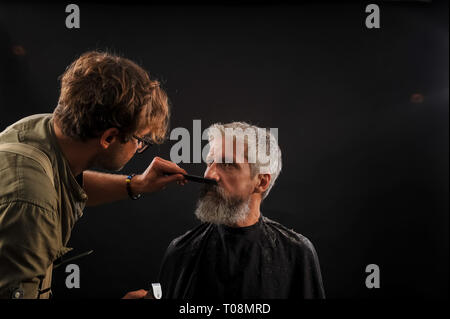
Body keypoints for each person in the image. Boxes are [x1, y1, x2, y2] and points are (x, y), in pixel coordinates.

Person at [0, 51, 187, 299]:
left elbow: (65, 183)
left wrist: (137, 184)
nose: (139, 149)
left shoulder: (38, 131)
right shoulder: (32, 205)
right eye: (140, 141)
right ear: (109, 137)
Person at [155, 122, 326, 299]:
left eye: (228, 164)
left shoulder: (296, 253)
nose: (209, 175)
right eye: (210, 162)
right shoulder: (181, 251)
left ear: (261, 182)